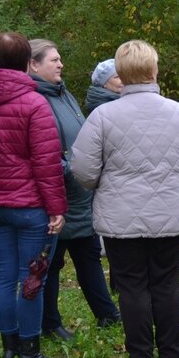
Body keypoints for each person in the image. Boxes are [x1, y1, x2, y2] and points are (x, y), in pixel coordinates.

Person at [72, 39, 179, 358]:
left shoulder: (102, 116)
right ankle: (172, 354)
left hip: (120, 218)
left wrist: (107, 183)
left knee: (131, 286)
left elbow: (83, 170)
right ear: (154, 69)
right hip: (169, 213)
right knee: (166, 283)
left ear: (121, 73)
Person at [28, 39, 121, 342]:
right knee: (52, 263)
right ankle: (49, 323)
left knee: (88, 254)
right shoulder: (34, 98)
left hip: (80, 194)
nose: (60, 64)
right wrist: (73, 169)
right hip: (56, 195)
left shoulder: (61, 92)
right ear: (34, 65)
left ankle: (107, 313)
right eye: (53, 60)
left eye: (59, 59)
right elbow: (44, 152)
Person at [0, 32, 67, 358]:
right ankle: (29, 351)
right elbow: (47, 162)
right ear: (25, 62)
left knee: (4, 274)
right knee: (32, 276)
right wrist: (57, 208)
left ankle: (9, 345)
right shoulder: (35, 103)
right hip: (29, 205)